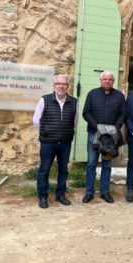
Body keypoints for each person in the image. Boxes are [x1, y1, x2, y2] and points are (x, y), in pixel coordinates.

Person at [33, 74, 78, 209]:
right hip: (48, 143)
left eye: (64, 84)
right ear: (55, 85)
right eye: (59, 84)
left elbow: (74, 122)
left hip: (65, 142)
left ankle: (60, 194)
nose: (61, 86)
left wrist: (65, 132)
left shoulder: (74, 102)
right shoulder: (44, 100)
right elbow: (36, 120)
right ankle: (42, 197)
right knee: (44, 170)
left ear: (68, 86)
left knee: (63, 170)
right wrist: (46, 132)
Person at [82, 71, 126, 204]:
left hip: (111, 136)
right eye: (105, 79)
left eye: (110, 79)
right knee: (91, 163)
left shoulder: (119, 96)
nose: (107, 81)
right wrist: (97, 127)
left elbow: (123, 113)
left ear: (113, 81)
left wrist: (116, 127)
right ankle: (89, 192)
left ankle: (104, 192)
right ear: (100, 80)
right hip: (94, 133)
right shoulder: (92, 94)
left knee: (107, 164)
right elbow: (86, 113)